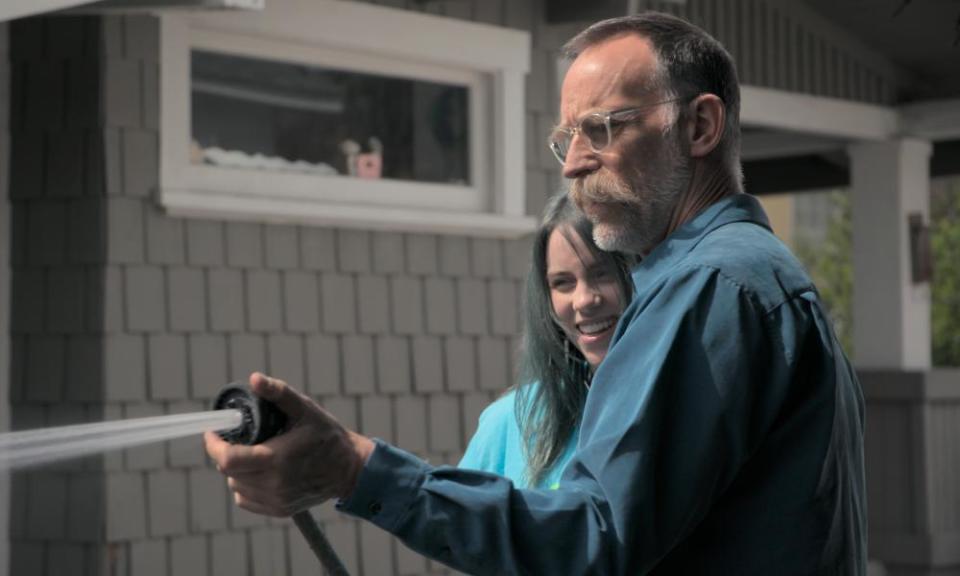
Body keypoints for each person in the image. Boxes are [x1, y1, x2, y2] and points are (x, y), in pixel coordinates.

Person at [206, 11, 867, 575]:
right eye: (566, 138)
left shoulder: (710, 285)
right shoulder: (758, 274)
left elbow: (593, 539)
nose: (576, 161)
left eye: (603, 129)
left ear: (699, 128)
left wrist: (358, 470)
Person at [459, 193, 634, 489]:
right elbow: (458, 529)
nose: (584, 300)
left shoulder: (682, 405)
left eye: (603, 274)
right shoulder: (509, 422)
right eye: (562, 283)